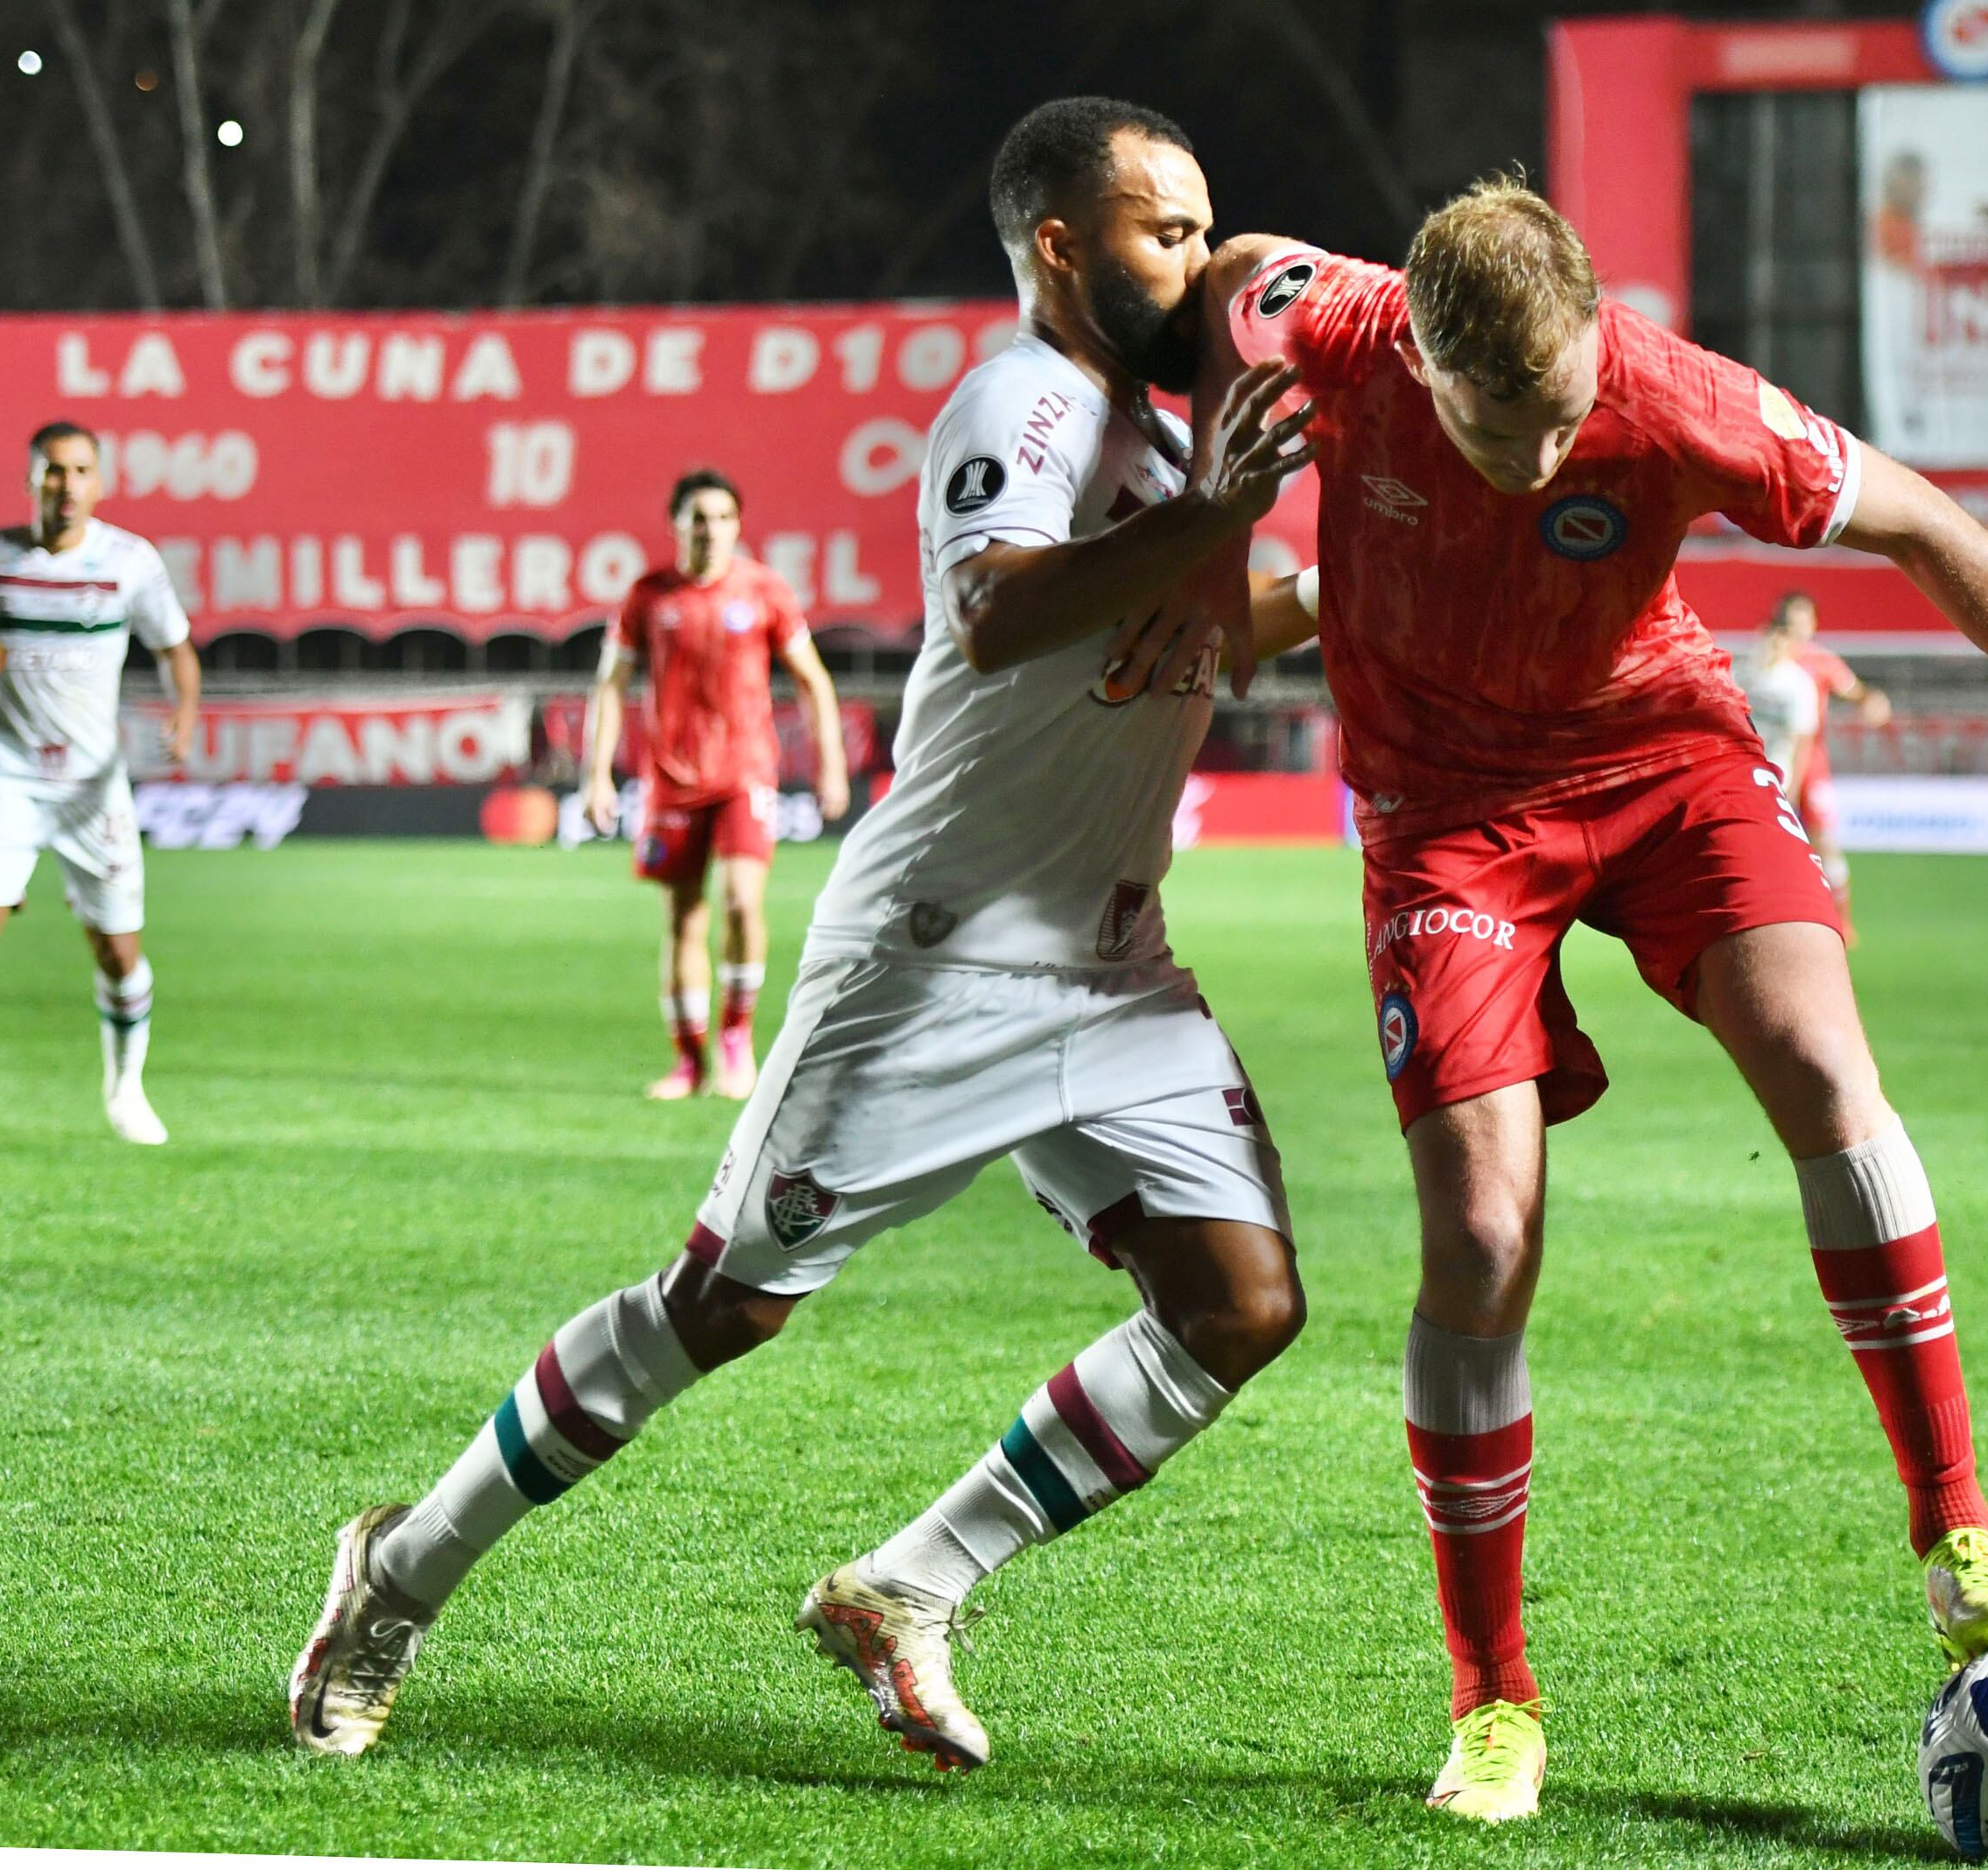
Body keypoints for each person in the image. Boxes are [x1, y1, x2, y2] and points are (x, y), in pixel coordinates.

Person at [292, 96, 1319, 1768]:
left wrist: (1365, 576)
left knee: (1237, 1304)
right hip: (933, 954)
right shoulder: (1029, 397)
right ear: (1062, 245)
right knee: (724, 1304)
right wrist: (1218, 512)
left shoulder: (1165, 435)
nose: (1198, 259)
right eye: (1165, 229)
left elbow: (1203, 634)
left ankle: (907, 1586)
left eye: (1207, 226)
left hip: (1111, 963)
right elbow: (999, 612)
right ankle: (397, 1570)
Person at [1203, 179, 1988, 1822]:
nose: (1540, 460)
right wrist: (1200, 489)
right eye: (1495, 428)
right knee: (1478, 1239)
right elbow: (1230, 269)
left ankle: (1956, 1526)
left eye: (1561, 419)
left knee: (1823, 1061)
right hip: (1448, 821)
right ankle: (1494, 1706)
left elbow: (1932, 524)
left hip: (1665, 760)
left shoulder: (1678, 398)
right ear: (1423, 362)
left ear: (1597, 339)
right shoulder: (1335, 324)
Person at [582, 471, 852, 1100]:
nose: (711, 529)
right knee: (682, 919)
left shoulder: (764, 591)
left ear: (738, 524)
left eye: (723, 517)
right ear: (676, 523)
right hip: (670, 781)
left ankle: (737, 1039)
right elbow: (612, 684)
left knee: (739, 902)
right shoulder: (649, 596)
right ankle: (687, 1062)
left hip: (744, 773)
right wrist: (596, 775)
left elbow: (812, 679)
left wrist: (830, 763)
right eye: (698, 517)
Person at [0, 420, 200, 1145]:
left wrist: (185, 711)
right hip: (5, 780)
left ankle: (125, 1090)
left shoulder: (128, 562)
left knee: (118, 954)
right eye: (54, 471)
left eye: (81, 471)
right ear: (30, 481)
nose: (67, 485)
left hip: (92, 789)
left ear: (100, 483)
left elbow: (176, 647)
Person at [1773, 589, 1892, 942]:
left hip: (1812, 766)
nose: (1798, 628)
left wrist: (1872, 699)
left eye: (1804, 621)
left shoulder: (1821, 661)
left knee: (1824, 841)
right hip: (1772, 764)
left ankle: (1842, 920)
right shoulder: (1771, 659)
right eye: (1792, 621)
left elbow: (1855, 691)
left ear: (1814, 623)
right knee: (1774, 842)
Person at [1739, 603, 1821, 796]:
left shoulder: (1799, 683)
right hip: (1743, 770)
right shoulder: (1743, 674)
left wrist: (1794, 789)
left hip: (1777, 775)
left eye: (1779, 639)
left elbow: (1802, 739)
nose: (1772, 644)